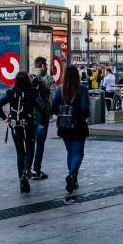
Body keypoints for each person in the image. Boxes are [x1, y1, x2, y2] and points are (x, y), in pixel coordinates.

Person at [0, 71, 46, 192]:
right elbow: (43, 107)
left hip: (15, 125)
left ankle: (21, 181)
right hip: (28, 124)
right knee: (30, 148)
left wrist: (4, 118)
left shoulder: (11, 93)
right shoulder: (32, 92)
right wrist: (42, 121)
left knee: (20, 152)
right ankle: (27, 170)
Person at [53, 65, 90, 193]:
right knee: (79, 153)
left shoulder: (60, 90)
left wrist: (63, 113)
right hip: (79, 125)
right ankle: (73, 174)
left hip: (64, 126)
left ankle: (72, 177)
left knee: (70, 152)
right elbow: (85, 109)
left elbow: (53, 108)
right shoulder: (82, 89)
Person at [30, 57, 55, 179]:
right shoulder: (49, 79)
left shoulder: (28, 78)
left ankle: (26, 169)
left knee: (29, 143)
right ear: (44, 66)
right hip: (42, 117)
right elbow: (53, 99)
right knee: (40, 144)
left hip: (29, 117)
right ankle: (36, 170)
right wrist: (50, 112)